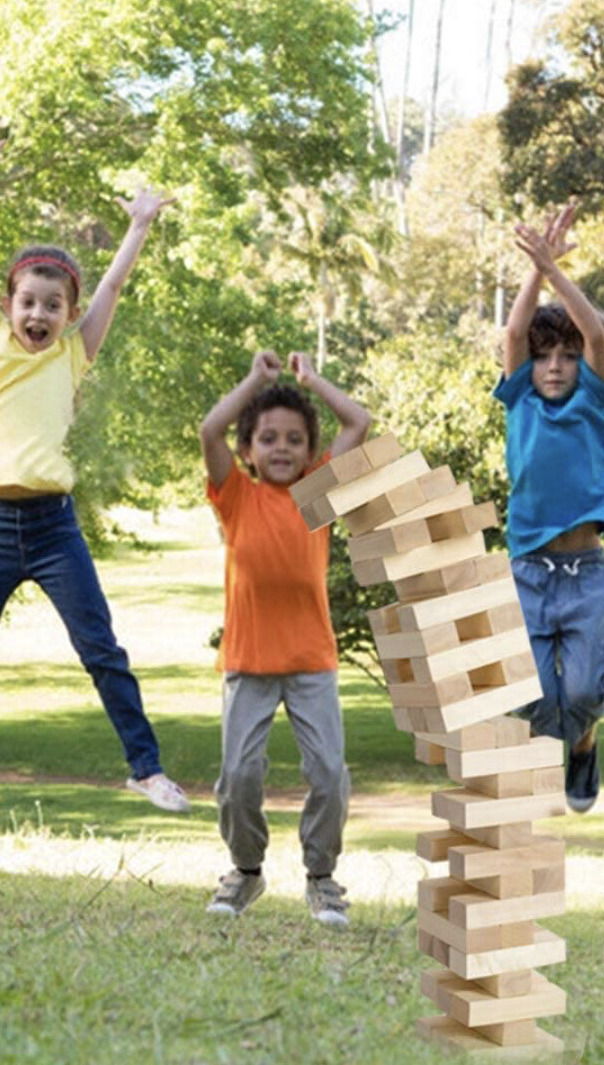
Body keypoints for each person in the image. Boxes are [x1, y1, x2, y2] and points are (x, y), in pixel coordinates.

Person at [0, 134, 188, 812]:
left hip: (52, 529)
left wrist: (137, 226)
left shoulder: (71, 356)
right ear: (7, 305)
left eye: (52, 305)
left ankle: (145, 767)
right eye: (28, 301)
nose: (38, 313)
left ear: (69, 317)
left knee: (102, 649)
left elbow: (112, 285)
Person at [200, 349, 369, 923]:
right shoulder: (236, 496)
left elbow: (359, 424)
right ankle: (245, 872)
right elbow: (209, 428)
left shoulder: (315, 494)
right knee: (239, 776)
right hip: (248, 662)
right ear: (248, 451)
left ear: (309, 451)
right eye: (268, 438)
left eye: (294, 440)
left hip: (310, 662)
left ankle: (321, 878)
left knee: (327, 773)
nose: (281, 448)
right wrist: (254, 381)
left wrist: (312, 379)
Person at [494, 203, 604, 813]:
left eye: (565, 357)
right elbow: (514, 335)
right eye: (547, 357)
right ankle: (564, 743)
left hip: (587, 572)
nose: (554, 366)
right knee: (533, 697)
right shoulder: (519, 399)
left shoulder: (593, 401)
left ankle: (587, 744)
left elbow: (595, 334)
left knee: (582, 690)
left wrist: (556, 270)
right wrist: (535, 273)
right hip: (528, 571)